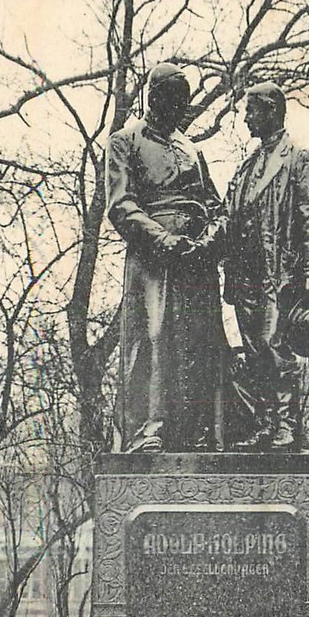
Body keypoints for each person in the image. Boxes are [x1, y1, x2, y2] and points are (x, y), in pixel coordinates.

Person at [105, 63, 228, 452]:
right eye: (173, 99)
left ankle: (198, 431)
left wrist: (210, 240)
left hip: (196, 258)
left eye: (184, 101)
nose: (179, 108)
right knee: (155, 337)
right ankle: (149, 431)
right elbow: (122, 205)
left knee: (200, 341)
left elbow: (217, 206)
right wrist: (162, 240)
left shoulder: (192, 150)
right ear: (155, 98)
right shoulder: (125, 141)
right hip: (153, 257)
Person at [223, 83, 309, 450]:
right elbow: (230, 220)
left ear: (271, 111)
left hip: (281, 274)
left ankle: (287, 427)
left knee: (277, 349)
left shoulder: (300, 160)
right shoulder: (246, 168)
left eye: (251, 110)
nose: (245, 118)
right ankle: (264, 425)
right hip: (247, 278)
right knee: (255, 351)